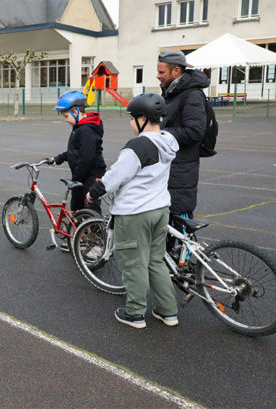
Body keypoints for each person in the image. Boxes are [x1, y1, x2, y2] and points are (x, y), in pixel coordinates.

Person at [86, 93, 179, 329]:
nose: (130, 123)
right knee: (155, 261)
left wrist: (93, 192)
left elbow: (116, 176)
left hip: (134, 213)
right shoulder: (167, 141)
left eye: (132, 118)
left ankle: (135, 313)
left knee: (134, 264)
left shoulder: (138, 146)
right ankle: (168, 312)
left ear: (143, 118)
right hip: (160, 209)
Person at [51, 89, 106, 251]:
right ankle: (77, 240)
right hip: (80, 176)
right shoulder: (79, 128)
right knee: (76, 208)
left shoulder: (86, 130)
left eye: (66, 116)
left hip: (91, 175)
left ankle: (98, 246)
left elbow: (87, 158)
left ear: (75, 111)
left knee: (90, 209)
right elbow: (75, 151)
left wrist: (76, 177)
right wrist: (59, 158)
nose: (66, 120)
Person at [157, 49, 209, 220]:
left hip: (181, 172)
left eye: (161, 72)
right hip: (171, 167)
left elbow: (195, 132)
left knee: (179, 223)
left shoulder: (192, 94)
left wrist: (159, 133)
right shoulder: (172, 92)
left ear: (176, 71)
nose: (158, 76)